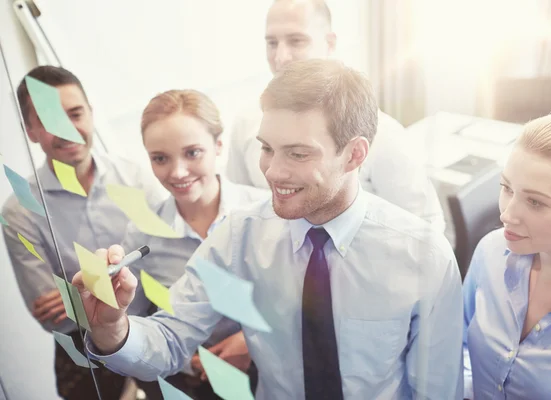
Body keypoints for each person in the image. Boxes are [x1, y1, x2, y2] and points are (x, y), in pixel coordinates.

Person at [74, 59, 463, 399]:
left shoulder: (424, 256)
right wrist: (114, 329)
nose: (273, 172)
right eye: (266, 148)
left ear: (354, 154)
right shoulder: (240, 235)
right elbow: (172, 338)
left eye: (297, 153)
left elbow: (436, 390)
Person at [2, 65, 165, 399]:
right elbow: (54, 318)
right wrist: (126, 280)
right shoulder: (20, 211)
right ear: (30, 130)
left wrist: (77, 294)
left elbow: (169, 270)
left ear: (90, 114)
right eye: (49, 121)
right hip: (84, 356)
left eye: (75, 114)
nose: (66, 130)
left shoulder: (139, 178)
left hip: (155, 329)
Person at [226, 0, 445, 231]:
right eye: (272, 43)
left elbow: (426, 229)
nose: (281, 57)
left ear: (329, 43)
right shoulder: (246, 124)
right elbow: (238, 205)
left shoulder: (383, 135)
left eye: (296, 41)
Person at [123, 89, 267, 398]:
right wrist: (189, 362)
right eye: (160, 158)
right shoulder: (142, 238)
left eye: (192, 153)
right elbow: (133, 321)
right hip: (194, 383)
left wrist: (250, 342)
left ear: (218, 146)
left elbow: (302, 301)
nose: (177, 172)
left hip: (275, 372)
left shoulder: (266, 212)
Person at [462, 113, 551, 399]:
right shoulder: (491, 252)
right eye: (506, 188)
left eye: (535, 202)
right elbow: (457, 345)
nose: (506, 214)